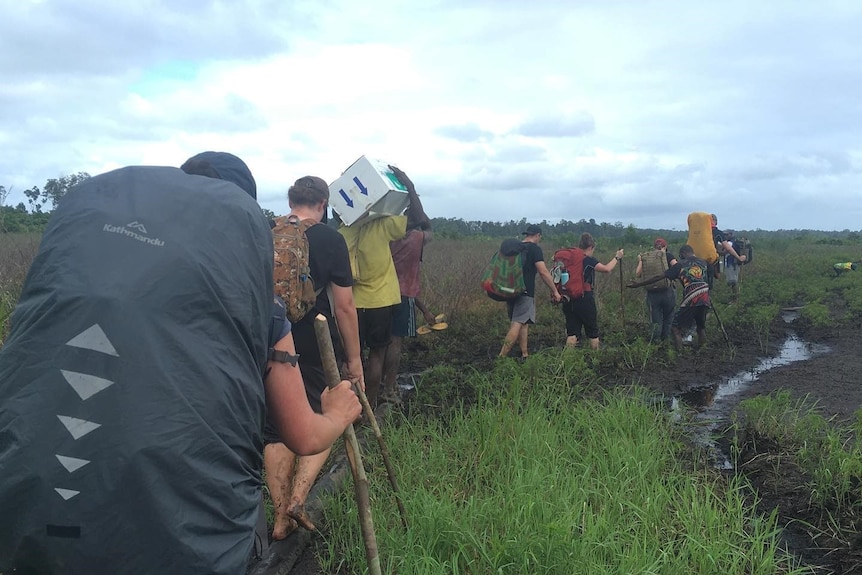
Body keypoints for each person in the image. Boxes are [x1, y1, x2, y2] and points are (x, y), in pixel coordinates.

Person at [0, 152, 361, 575]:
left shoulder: (67, 287)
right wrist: (337, 413)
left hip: (23, 512)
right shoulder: (263, 311)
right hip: (178, 541)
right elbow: (302, 434)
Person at [262, 175, 365, 539]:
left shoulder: (265, 230)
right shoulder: (330, 238)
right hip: (313, 342)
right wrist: (354, 359)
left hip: (267, 338)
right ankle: (299, 498)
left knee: (275, 428)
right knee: (325, 414)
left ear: (291, 201)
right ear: (323, 204)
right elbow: (345, 306)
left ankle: (278, 517)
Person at [338, 165, 429, 407]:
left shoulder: (342, 232)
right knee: (377, 355)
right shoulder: (381, 226)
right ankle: (372, 403)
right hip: (380, 303)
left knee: (350, 357)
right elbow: (420, 219)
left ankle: (352, 406)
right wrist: (409, 186)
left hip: (349, 305)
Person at [381, 223, 433, 404]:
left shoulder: (385, 235)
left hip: (379, 294)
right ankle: (389, 387)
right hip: (401, 298)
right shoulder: (417, 237)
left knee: (380, 343)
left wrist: (426, 311)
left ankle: (381, 385)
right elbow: (429, 228)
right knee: (395, 342)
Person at [628, 244, 711, 350]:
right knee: (700, 327)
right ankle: (702, 350)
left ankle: (679, 352)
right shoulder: (703, 262)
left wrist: (639, 284)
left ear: (683, 254)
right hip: (705, 297)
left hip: (691, 299)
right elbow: (709, 280)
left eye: (680, 255)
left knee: (675, 327)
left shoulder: (680, 265)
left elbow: (659, 277)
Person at [498, 224, 561, 359]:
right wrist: (555, 291)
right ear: (537, 235)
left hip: (509, 290)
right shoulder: (534, 249)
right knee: (517, 324)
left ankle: (524, 354)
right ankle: (501, 357)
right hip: (525, 292)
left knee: (523, 323)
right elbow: (543, 272)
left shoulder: (515, 248)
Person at [559, 232, 624, 350]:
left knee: (572, 333)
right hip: (585, 298)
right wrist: (617, 257)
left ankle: (567, 362)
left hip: (568, 298)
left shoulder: (570, 259)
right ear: (590, 247)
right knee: (592, 331)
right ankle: (595, 359)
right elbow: (607, 269)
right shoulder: (588, 260)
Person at [634, 238, 678, 342]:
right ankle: (666, 340)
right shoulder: (668, 255)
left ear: (654, 247)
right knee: (668, 317)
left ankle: (656, 342)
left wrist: (640, 260)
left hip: (652, 293)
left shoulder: (647, 257)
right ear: (665, 247)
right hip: (668, 292)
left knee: (655, 319)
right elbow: (677, 267)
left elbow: (638, 274)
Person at [710, 214, 746, 288]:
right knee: (732, 281)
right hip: (732, 264)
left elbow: (725, 251)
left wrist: (716, 251)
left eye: (726, 234)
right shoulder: (731, 241)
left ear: (730, 234)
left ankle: (733, 297)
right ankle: (733, 296)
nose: (725, 236)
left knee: (732, 282)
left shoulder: (730, 242)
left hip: (732, 264)